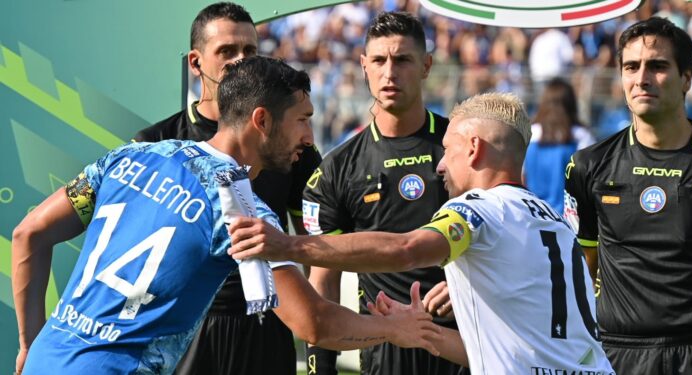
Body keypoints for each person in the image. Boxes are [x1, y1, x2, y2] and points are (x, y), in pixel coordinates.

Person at [11, 56, 440, 375]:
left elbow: (29, 234)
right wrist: (394, 330)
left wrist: (30, 343)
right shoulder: (240, 207)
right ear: (262, 120)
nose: (309, 139)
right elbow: (314, 322)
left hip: (47, 359)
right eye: (302, 120)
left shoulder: (131, 156)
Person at [226, 92, 615, 375]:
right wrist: (417, 333)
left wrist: (288, 245)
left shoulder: (479, 209)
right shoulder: (552, 221)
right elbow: (505, 352)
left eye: (448, 149)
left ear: (474, 148)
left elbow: (407, 248)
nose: (441, 165)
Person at [133, 3, 321, 374]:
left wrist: (313, 330)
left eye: (250, 51)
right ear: (195, 62)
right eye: (227, 51)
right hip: (183, 328)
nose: (240, 61)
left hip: (267, 325)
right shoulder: (156, 142)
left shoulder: (289, 144)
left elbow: (315, 243)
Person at [563, 17, 692, 374]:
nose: (642, 78)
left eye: (658, 66)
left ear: (687, 79)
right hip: (619, 354)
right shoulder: (588, 165)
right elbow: (582, 269)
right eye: (631, 67)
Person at [301, 11, 466, 375]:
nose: (389, 72)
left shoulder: (465, 148)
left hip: (466, 340)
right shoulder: (336, 169)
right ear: (363, 66)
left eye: (402, 59)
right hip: (385, 350)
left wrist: (469, 288)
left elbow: (504, 236)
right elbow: (324, 279)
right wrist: (319, 368)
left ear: (426, 66)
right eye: (379, 60)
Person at [524, 77, 595, 214]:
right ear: (571, 104)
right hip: (569, 220)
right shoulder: (581, 136)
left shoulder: (529, 134)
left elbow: (522, 178)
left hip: (533, 216)